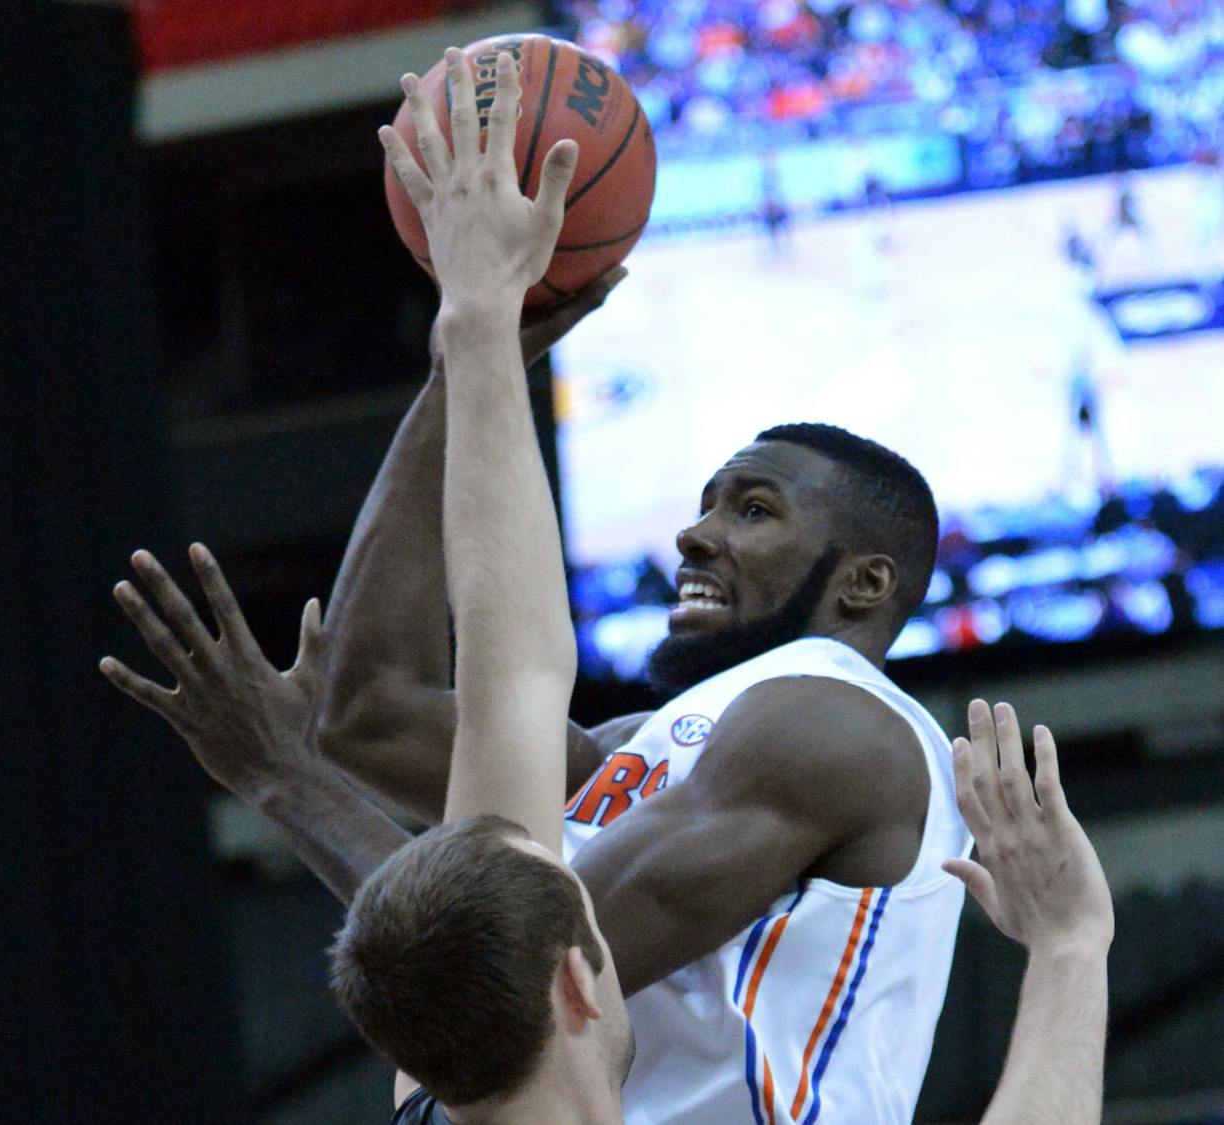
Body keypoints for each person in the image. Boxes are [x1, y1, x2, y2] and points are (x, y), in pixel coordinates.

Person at [99, 50, 1106, 1124]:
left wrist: (288, 784)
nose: (697, 533)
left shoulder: (838, 726)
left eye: (754, 511)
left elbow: (514, 965)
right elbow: (368, 711)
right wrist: (466, 375)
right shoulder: (654, 748)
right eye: (711, 501)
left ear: (864, 585)